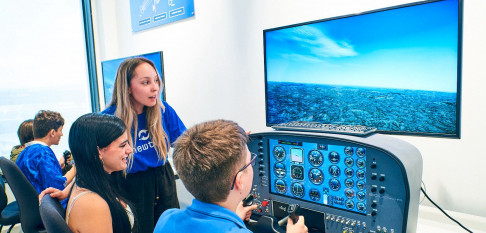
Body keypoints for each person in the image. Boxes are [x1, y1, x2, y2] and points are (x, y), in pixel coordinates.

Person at [154, 119, 308, 233]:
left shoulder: (167, 218)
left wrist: (233, 218)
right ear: (239, 180)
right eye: (251, 161)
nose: (252, 163)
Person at [101, 57, 186, 233]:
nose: (155, 87)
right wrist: (67, 189)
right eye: (146, 82)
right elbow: (88, 159)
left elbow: (187, 142)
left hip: (163, 179)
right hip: (129, 185)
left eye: (156, 80)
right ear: (128, 88)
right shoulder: (108, 119)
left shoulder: (163, 110)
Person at [16, 110, 76, 193]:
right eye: (60, 130)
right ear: (52, 132)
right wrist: (76, 168)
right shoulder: (43, 152)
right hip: (48, 203)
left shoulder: (26, 151)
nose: (62, 134)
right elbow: (58, 186)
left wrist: (57, 167)